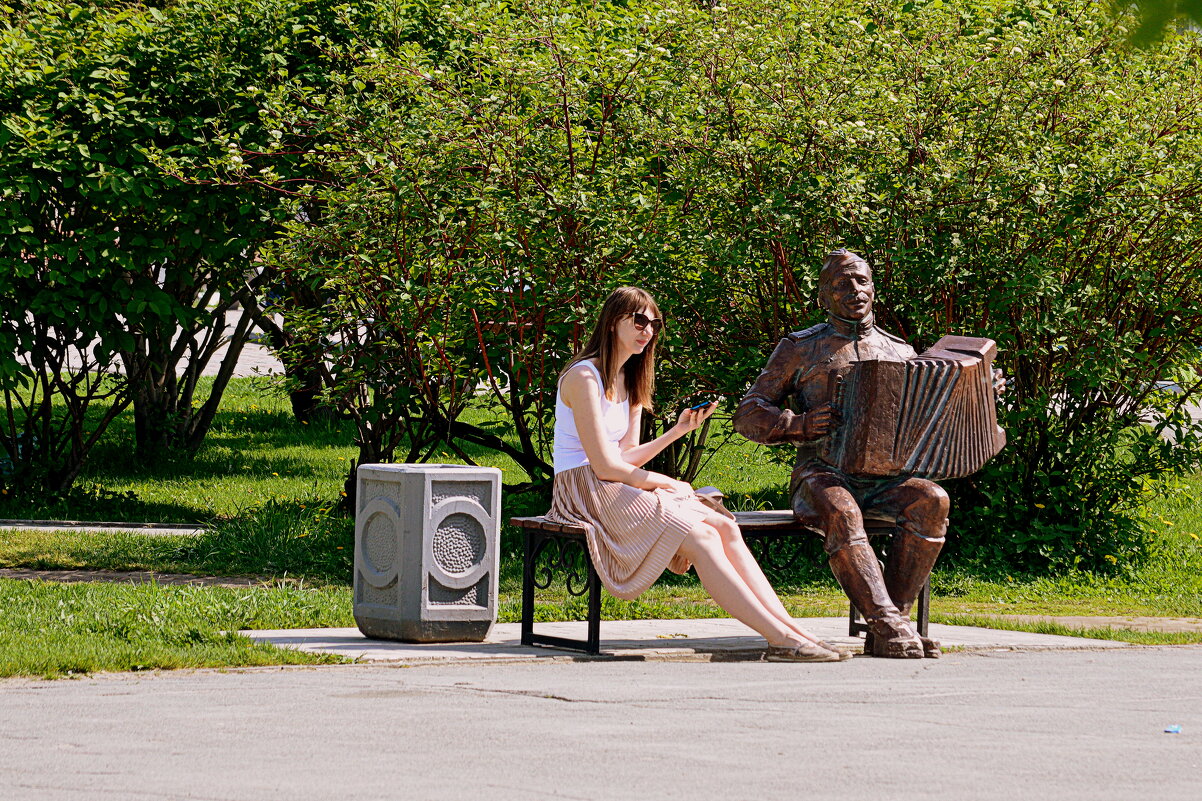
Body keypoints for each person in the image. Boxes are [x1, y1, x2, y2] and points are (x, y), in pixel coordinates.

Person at [548, 286, 848, 662]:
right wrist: (668, 482)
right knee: (703, 537)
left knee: (725, 527)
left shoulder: (632, 378)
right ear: (612, 324)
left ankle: (796, 631)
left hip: (614, 483)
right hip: (584, 489)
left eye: (654, 324)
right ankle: (780, 638)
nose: (648, 331)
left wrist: (678, 431)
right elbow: (604, 466)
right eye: (639, 321)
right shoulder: (584, 377)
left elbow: (625, 456)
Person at [733, 249, 960, 659]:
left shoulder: (900, 352)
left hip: (885, 480)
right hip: (820, 474)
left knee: (932, 499)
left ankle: (892, 622)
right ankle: (889, 624)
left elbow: (930, 416)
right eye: (842, 285)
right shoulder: (800, 348)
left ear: (873, 288)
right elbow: (748, 413)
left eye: (862, 281)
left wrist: (974, 392)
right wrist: (796, 424)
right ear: (824, 297)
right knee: (843, 511)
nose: (854, 291)